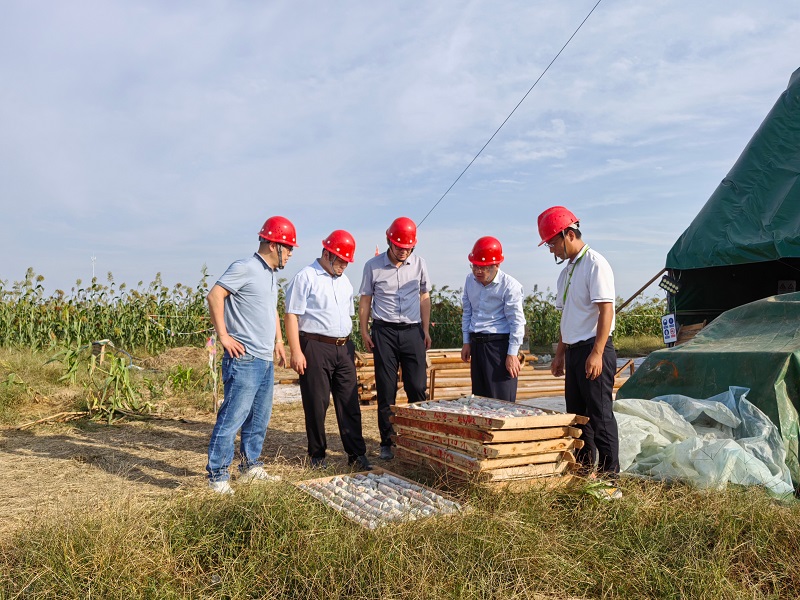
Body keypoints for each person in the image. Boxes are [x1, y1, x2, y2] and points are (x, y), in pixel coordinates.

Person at [205, 215, 297, 495]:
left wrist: (279, 341)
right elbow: (214, 296)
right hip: (244, 359)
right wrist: (223, 336)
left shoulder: (269, 276)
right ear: (273, 244)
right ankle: (217, 477)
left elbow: (270, 311)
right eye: (288, 248)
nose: (291, 254)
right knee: (232, 417)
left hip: (264, 358)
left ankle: (249, 468)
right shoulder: (244, 267)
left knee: (259, 418)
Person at [537, 206, 620, 492]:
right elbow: (567, 317)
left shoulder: (595, 264)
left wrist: (597, 353)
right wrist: (560, 353)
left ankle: (611, 480)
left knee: (600, 415)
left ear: (568, 234)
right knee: (577, 416)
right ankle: (585, 473)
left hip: (593, 349)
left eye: (552, 243)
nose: (552, 251)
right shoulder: (567, 272)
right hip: (573, 351)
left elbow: (606, 311)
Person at [284, 230, 372, 471]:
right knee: (317, 402)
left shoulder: (344, 282)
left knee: (349, 402)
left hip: (343, 347)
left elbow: (346, 316)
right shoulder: (306, 277)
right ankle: (317, 455)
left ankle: (356, 454)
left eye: (346, 262)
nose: (343, 266)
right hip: (315, 346)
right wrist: (295, 351)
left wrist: (350, 345)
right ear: (326, 253)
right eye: (340, 260)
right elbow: (291, 315)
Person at [359, 216, 431, 460]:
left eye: (408, 248)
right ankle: (387, 442)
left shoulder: (420, 264)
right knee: (386, 388)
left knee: (417, 387)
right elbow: (366, 299)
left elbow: (424, 296)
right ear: (389, 241)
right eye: (399, 247)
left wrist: (425, 329)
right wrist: (364, 330)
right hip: (384, 332)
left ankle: (417, 437)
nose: (403, 252)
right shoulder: (373, 266)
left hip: (412, 331)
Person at [460, 236, 525, 401]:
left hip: (498, 347)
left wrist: (512, 354)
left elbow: (516, 322)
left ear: (497, 265)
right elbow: (467, 312)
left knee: (501, 402)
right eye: (474, 266)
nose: (478, 271)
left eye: (483, 268)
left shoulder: (510, 286)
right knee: (480, 401)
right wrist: (466, 341)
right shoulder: (470, 281)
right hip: (477, 345)